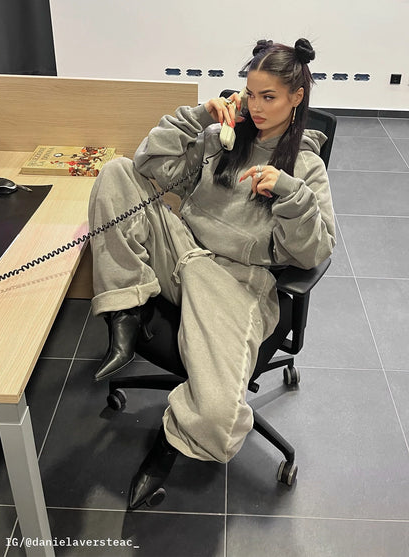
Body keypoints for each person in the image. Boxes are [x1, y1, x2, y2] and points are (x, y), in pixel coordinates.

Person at [88, 38, 336, 509]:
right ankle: (124, 314)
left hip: (235, 286)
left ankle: (169, 444)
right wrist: (197, 118)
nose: (256, 107)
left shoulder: (305, 167)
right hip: (182, 253)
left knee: (220, 416)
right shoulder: (222, 139)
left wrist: (290, 194)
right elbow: (148, 165)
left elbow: (314, 252)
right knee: (116, 172)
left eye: (269, 97)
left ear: (296, 97)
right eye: (251, 94)